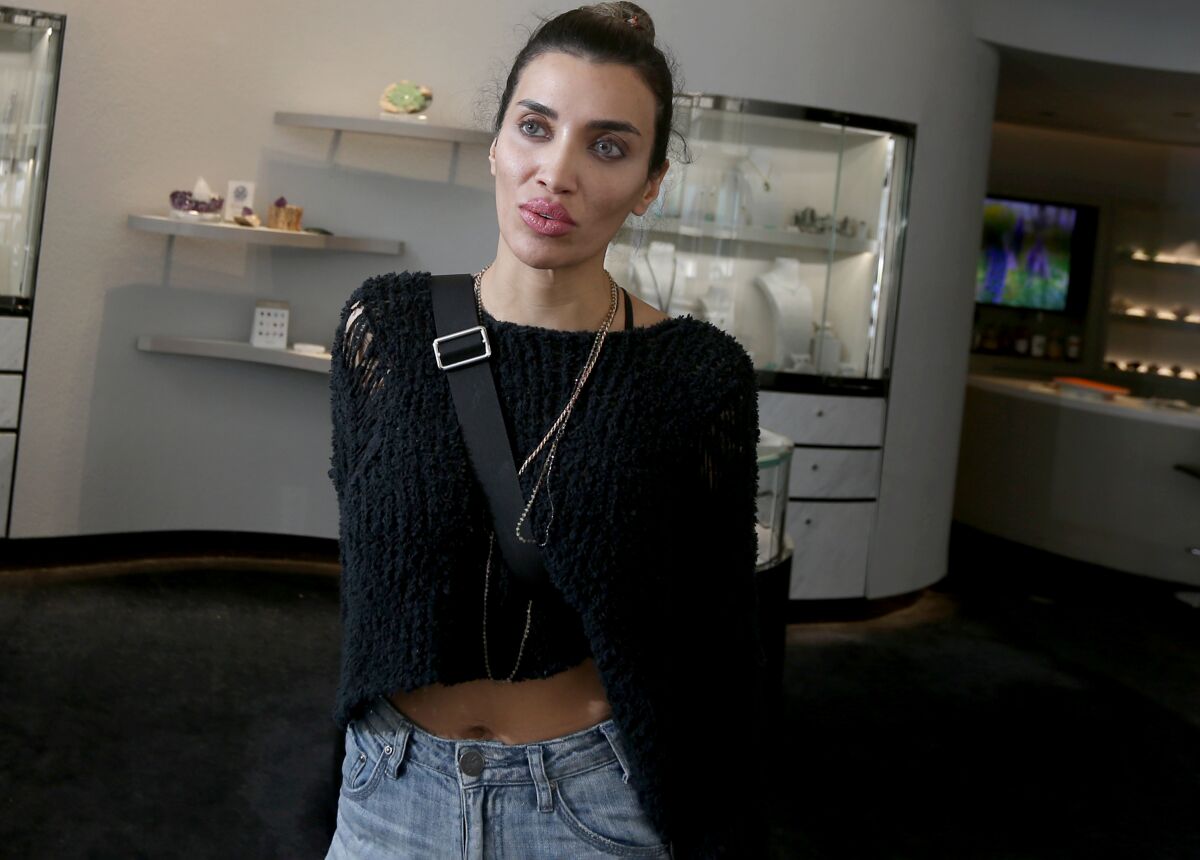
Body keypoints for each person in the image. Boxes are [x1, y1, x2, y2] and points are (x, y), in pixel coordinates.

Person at [324, 3, 767, 857]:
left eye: (608, 147)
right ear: (495, 144)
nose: (555, 173)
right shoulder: (382, 329)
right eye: (535, 127)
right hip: (389, 792)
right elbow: (368, 588)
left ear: (650, 185)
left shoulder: (695, 374)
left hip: (590, 806)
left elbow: (720, 638)